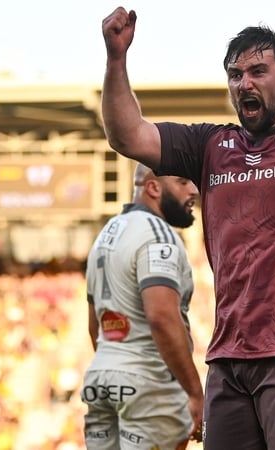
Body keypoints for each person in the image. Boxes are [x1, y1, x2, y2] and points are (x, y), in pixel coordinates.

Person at [100, 6, 275, 449]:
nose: (244, 83)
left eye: (257, 71)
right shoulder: (211, 144)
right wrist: (116, 58)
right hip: (228, 358)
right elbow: (127, 137)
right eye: (235, 74)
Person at [81, 163, 204, 450]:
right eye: (183, 182)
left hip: (102, 378)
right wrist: (195, 393)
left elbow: (93, 323)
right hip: (150, 383)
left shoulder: (105, 235)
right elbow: (161, 316)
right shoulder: (158, 235)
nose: (194, 191)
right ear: (153, 188)